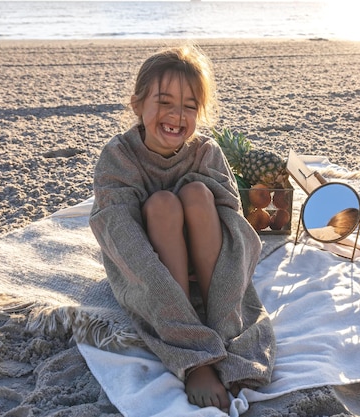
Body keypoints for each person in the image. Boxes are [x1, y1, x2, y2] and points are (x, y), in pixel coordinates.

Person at [89, 45, 276, 412]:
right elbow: (124, 243)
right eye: (165, 102)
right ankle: (192, 348)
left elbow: (232, 231)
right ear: (137, 105)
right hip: (150, 269)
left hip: (207, 269)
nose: (177, 116)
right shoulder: (119, 157)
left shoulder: (206, 152)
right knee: (161, 205)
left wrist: (227, 324)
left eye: (190, 106)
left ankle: (216, 325)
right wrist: (198, 355)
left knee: (196, 193)